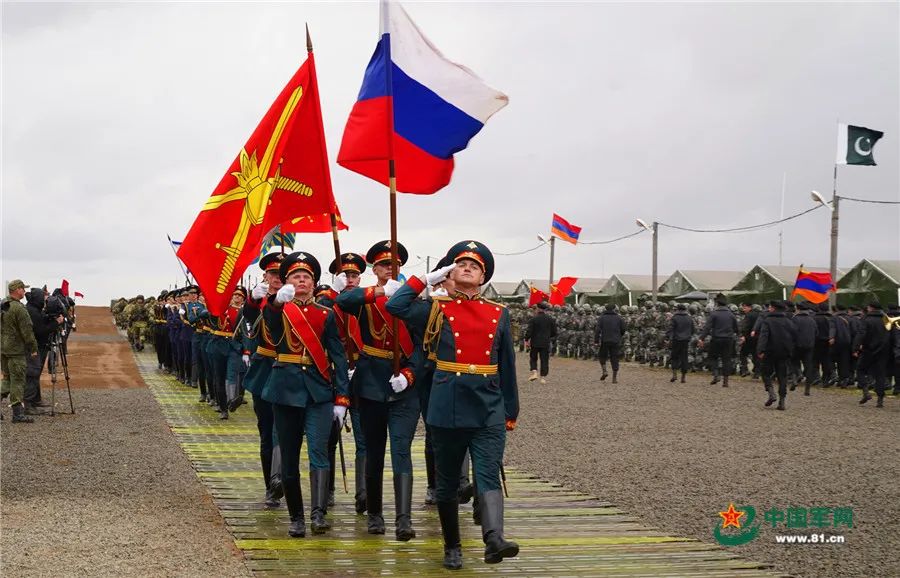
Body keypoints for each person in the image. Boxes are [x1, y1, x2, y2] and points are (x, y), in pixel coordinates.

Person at [387, 239, 519, 570]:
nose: (468, 268)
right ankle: (452, 546)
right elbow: (395, 306)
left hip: (488, 406)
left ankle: (494, 538)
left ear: (483, 277)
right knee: (446, 483)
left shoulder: (499, 313)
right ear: (450, 272)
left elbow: (507, 364)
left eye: (475, 266)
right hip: (448, 405)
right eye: (461, 264)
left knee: (487, 473)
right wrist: (426, 279)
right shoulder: (435, 309)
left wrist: (511, 410)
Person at [261, 251, 351, 537]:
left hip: (317, 391)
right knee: (289, 456)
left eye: (306, 277)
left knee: (319, 452)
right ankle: (296, 517)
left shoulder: (326, 314)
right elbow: (269, 322)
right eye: (295, 276)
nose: (301, 280)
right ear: (287, 282)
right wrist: (278, 301)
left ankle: (318, 514)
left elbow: (338, 356)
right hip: (285, 390)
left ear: (314, 283)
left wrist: (342, 398)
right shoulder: (279, 309)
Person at [335, 241, 420, 540]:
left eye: (394, 265)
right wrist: (381, 292)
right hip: (371, 382)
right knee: (374, 451)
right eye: (384, 265)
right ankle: (374, 513)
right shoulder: (367, 297)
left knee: (402, 450)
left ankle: (404, 519)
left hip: (404, 386)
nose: (389, 269)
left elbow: (423, 346)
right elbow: (344, 301)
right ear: (375, 269)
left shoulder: (415, 299)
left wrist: (410, 374)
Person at [321, 252, 369, 514]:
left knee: (364, 437)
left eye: (354, 275)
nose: (349, 279)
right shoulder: (327, 300)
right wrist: (333, 293)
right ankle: (326, 489)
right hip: (333, 372)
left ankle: (363, 493)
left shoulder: (368, 301)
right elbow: (319, 316)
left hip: (362, 373)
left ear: (360, 278)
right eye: (345, 275)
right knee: (329, 436)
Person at [244, 252, 286, 508]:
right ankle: (270, 486)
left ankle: (278, 478)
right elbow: (249, 317)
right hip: (264, 369)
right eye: (272, 274)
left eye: (281, 274)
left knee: (282, 430)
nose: (277, 278)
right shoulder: (258, 300)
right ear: (265, 276)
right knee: (266, 430)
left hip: (288, 370)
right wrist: (252, 299)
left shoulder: (294, 299)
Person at [2, 280, 38, 423]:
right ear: (17, 290)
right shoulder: (18, 308)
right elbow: (27, 331)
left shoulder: (3, 304)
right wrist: (33, 348)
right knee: (17, 380)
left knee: (7, 379)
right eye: (22, 288)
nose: (24, 291)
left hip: (3, 349)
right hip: (16, 350)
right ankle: (17, 414)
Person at [24, 288, 63, 413]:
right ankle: (28, 404)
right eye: (43, 298)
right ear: (38, 299)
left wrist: (48, 318)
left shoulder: (34, 309)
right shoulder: (32, 312)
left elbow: (41, 323)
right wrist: (56, 323)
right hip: (35, 347)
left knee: (35, 373)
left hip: (38, 346)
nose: (45, 301)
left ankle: (35, 399)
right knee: (33, 374)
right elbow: (40, 330)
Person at [757, 301, 797, 410]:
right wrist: (790, 349)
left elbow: (764, 336)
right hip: (784, 352)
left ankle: (771, 393)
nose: (769, 309)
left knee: (766, 373)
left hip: (769, 352)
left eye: (770, 307)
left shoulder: (768, 321)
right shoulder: (788, 321)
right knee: (782, 376)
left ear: (773, 308)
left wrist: (760, 350)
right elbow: (794, 336)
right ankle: (782, 401)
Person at [853, 302, 890, 407]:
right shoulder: (886, 319)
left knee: (860, 369)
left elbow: (861, 334)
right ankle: (880, 399)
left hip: (868, 349)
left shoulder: (866, 319)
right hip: (883, 350)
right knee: (880, 374)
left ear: (871, 308)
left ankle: (866, 391)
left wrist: (855, 348)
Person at [698, 294, 738, 387]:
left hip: (716, 338)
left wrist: (701, 338)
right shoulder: (731, 315)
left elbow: (707, 327)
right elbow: (736, 328)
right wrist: (736, 334)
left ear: (717, 304)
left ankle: (716, 374)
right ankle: (726, 381)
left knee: (713, 357)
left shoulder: (714, 314)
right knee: (726, 359)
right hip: (728, 339)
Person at [524, 301, 556, 384]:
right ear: (545, 309)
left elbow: (529, 331)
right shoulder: (550, 319)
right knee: (544, 360)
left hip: (535, 342)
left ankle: (534, 372)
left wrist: (526, 339)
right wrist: (548, 336)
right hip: (545, 342)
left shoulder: (533, 319)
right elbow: (554, 332)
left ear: (538, 309)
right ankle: (543, 378)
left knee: (533, 358)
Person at [791, 303, 818, 395]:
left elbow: (792, 332)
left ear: (798, 309)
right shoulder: (812, 319)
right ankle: (807, 389)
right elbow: (816, 332)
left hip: (797, 345)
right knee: (808, 366)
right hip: (809, 346)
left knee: (794, 362)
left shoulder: (795, 319)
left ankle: (797, 376)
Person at [594, 303, 625, 383]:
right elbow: (623, 329)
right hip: (615, 340)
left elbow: (597, 330)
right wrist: (619, 336)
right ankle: (614, 378)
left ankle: (604, 371)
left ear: (606, 309)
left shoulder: (602, 318)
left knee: (602, 356)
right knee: (614, 358)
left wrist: (596, 341)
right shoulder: (619, 318)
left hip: (605, 340)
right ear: (614, 309)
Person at [666, 303, 694, 383]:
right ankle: (683, 377)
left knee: (674, 357)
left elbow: (671, 329)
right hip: (685, 340)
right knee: (684, 358)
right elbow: (693, 329)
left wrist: (669, 339)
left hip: (676, 340)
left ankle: (674, 374)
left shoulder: (674, 317)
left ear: (678, 309)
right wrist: (688, 336)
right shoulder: (689, 318)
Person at [813, 303, 835, 386]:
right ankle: (826, 378)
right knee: (826, 361)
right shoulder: (831, 318)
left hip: (816, 342)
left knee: (815, 361)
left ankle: (817, 377)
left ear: (819, 309)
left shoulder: (814, 318)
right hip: (828, 342)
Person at [738, 302, 759, 378]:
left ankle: (745, 370)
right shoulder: (758, 314)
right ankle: (757, 372)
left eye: (745, 308)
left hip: (748, 338)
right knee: (755, 355)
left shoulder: (748, 315)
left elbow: (745, 326)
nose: (744, 310)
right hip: (757, 338)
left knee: (743, 354)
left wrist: (743, 335)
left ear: (749, 307)